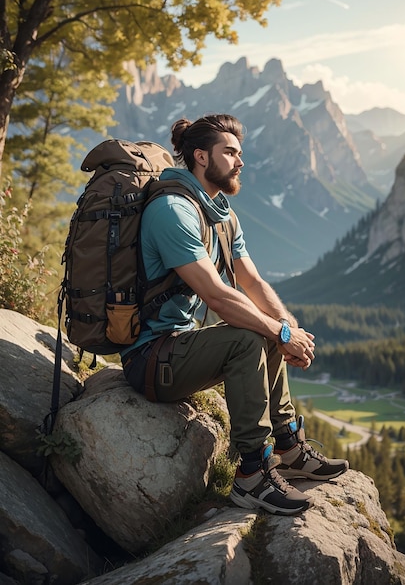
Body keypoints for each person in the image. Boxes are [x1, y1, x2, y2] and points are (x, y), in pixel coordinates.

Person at [121, 114, 348, 515]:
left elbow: (252, 282)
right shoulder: (173, 210)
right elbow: (218, 296)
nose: (240, 161)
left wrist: (289, 330)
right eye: (230, 152)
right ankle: (252, 475)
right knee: (249, 337)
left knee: (268, 327)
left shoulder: (220, 212)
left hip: (181, 348)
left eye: (240, 153)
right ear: (201, 157)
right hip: (151, 359)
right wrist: (279, 334)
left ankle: (290, 450)